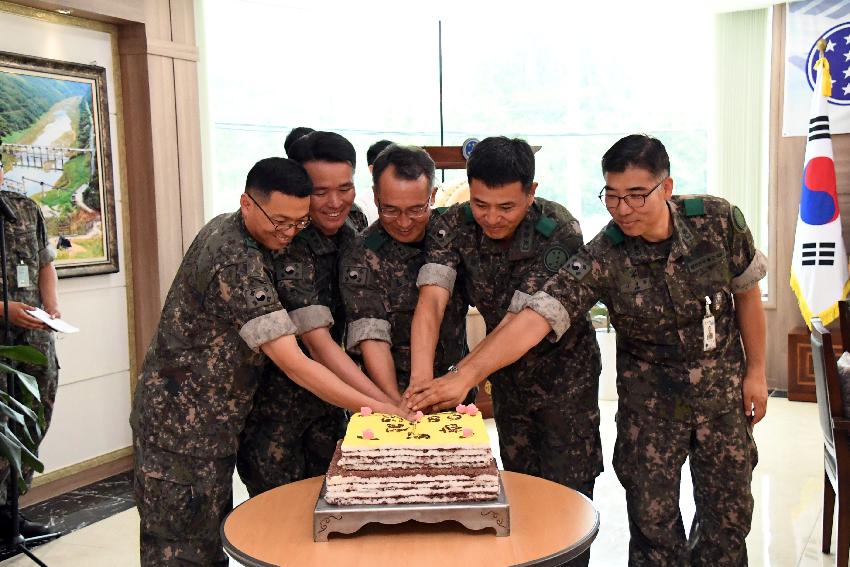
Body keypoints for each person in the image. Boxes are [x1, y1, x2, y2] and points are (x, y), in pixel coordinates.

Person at [409, 134, 768, 566]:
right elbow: (534, 318)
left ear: (666, 188)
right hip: (650, 406)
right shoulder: (602, 255)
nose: (624, 209)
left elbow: (747, 293)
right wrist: (463, 377)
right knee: (654, 528)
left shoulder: (717, 220)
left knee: (727, 521)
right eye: (612, 197)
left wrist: (757, 373)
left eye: (637, 195)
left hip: (721, 397)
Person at [130, 157, 402, 566]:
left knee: (208, 539)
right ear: (246, 203)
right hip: (180, 429)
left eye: (298, 223)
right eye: (279, 222)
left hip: (218, 422)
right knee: (183, 550)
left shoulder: (262, 238)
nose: (289, 234)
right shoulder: (233, 257)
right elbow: (295, 361)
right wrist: (381, 408)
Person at [408, 137, 603, 552]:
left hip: (564, 378)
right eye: (481, 204)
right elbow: (433, 299)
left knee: (568, 498)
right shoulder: (453, 223)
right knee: (520, 490)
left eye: (506, 207)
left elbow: (522, 320)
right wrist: (422, 383)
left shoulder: (558, 228)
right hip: (509, 376)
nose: (491, 218)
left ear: (531, 193)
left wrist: (463, 376)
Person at [236, 132, 383, 497]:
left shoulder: (356, 222)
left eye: (345, 188)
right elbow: (315, 344)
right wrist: (383, 405)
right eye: (320, 192)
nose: (335, 202)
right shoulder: (281, 238)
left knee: (335, 510)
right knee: (280, 523)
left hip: (334, 402)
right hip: (275, 411)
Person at [340, 144, 472, 403]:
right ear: (376, 198)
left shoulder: (451, 235)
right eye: (390, 209)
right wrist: (398, 401)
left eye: (415, 209)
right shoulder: (360, 254)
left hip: (452, 391)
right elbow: (371, 336)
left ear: (432, 196)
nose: (403, 222)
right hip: (388, 396)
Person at [0, 157, 59, 538]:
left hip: (34, 339)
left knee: (31, 421)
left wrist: (52, 306)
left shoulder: (23, 208)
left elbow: (44, 264)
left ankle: (10, 515)